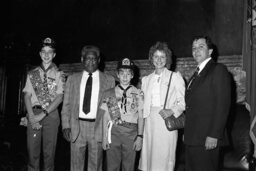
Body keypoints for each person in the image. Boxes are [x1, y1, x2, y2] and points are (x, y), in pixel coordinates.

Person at [61, 45, 115, 171]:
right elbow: (66, 105)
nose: (91, 61)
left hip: (97, 127)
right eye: (87, 58)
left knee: (95, 166)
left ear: (99, 60)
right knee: (75, 166)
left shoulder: (109, 80)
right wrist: (66, 126)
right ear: (82, 59)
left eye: (94, 59)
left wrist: (108, 132)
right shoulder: (72, 79)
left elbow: (112, 107)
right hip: (76, 127)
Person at [184, 36, 231, 171]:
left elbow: (222, 105)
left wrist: (214, 134)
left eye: (201, 47)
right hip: (192, 138)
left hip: (207, 138)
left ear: (210, 51)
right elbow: (191, 106)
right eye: (194, 48)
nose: (196, 50)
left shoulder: (218, 70)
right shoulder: (195, 75)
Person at [139, 42, 186, 171]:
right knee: (149, 159)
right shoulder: (146, 80)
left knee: (164, 158)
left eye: (162, 57)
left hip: (166, 121)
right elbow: (143, 104)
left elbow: (183, 102)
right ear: (151, 58)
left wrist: (171, 110)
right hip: (149, 122)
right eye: (156, 56)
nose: (159, 60)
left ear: (167, 59)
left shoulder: (175, 77)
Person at [22, 37, 65, 171]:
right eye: (44, 52)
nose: (46, 55)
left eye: (50, 52)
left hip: (51, 115)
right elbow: (27, 95)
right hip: (34, 113)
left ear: (54, 54)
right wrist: (32, 117)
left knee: (49, 154)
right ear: (40, 54)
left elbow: (59, 97)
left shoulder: (59, 74)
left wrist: (43, 114)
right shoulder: (32, 74)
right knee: (32, 154)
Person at [101, 58, 144, 171]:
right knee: (112, 165)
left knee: (128, 166)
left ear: (132, 75)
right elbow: (105, 117)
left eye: (128, 73)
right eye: (122, 73)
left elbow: (140, 116)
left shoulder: (138, 93)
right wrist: (104, 137)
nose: (125, 76)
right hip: (114, 132)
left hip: (131, 134)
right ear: (117, 75)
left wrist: (140, 136)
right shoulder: (110, 93)